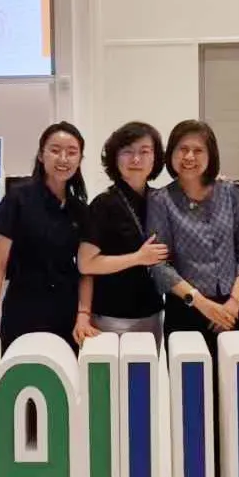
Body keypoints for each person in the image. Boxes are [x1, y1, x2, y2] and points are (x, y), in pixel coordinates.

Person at [0, 123, 90, 352]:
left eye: (72, 152)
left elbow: (85, 269)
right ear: (41, 155)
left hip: (66, 311)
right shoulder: (18, 199)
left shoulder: (79, 209)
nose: (63, 158)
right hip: (23, 308)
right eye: (55, 150)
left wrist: (83, 314)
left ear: (80, 159)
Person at [147, 120, 239, 356]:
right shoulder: (160, 200)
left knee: (237, 379)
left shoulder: (232, 192)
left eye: (198, 150)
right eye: (183, 149)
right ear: (171, 154)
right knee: (190, 380)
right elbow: (159, 264)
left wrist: (233, 304)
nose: (189, 156)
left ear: (211, 155)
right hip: (186, 309)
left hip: (233, 308)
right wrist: (203, 305)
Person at [76, 122, 167, 346]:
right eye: (127, 152)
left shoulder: (161, 200)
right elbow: (86, 264)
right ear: (115, 158)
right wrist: (138, 258)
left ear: (155, 158)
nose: (136, 159)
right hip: (111, 317)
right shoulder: (103, 204)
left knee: (147, 370)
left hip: (152, 313)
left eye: (144, 151)